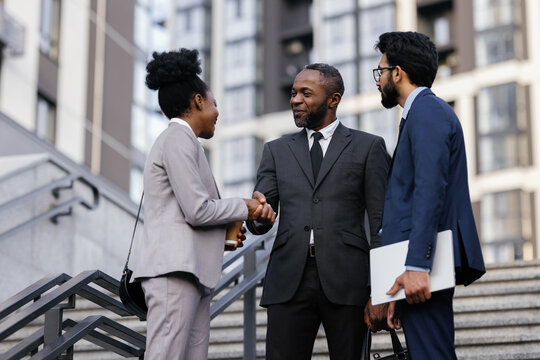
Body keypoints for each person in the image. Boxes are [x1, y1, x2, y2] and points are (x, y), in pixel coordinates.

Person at [130, 49, 276, 360]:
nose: (217, 112)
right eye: (214, 104)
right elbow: (197, 210)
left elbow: (183, 212)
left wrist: (223, 233)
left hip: (188, 272)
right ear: (198, 101)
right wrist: (246, 206)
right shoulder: (177, 139)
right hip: (173, 272)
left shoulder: (183, 143)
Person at [247, 63, 390, 359]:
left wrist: (380, 290)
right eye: (293, 92)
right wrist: (257, 215)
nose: (295, 99)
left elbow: (380, 222)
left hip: (349, 280)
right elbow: (262, 217)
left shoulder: (368, 147)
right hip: (288, 280)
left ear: (333, 99)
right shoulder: (276, 151)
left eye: (306, 93)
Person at [365, 32, 486, 359]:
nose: (378, 82)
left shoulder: (427, 112)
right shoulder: (420, 115)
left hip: (424, 264)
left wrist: (417, 265)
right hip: (415, 266)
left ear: (398, 73)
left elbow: (429, 190)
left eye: (381, 72)